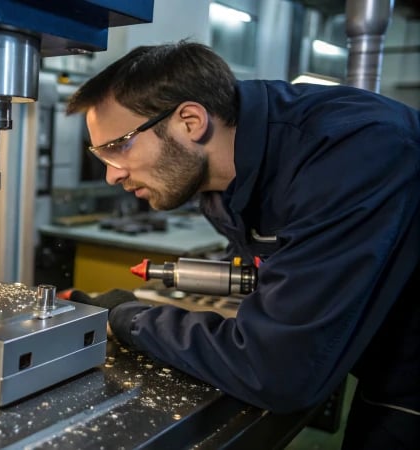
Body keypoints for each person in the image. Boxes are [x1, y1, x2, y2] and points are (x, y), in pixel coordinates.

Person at [64, 40, 419, 449]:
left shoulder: (351, 150)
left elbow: (277, 370)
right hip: (388, 368)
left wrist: (131, 318)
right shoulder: (228, 182)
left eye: (118, 147)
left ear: (190, 121)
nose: (112, 175)